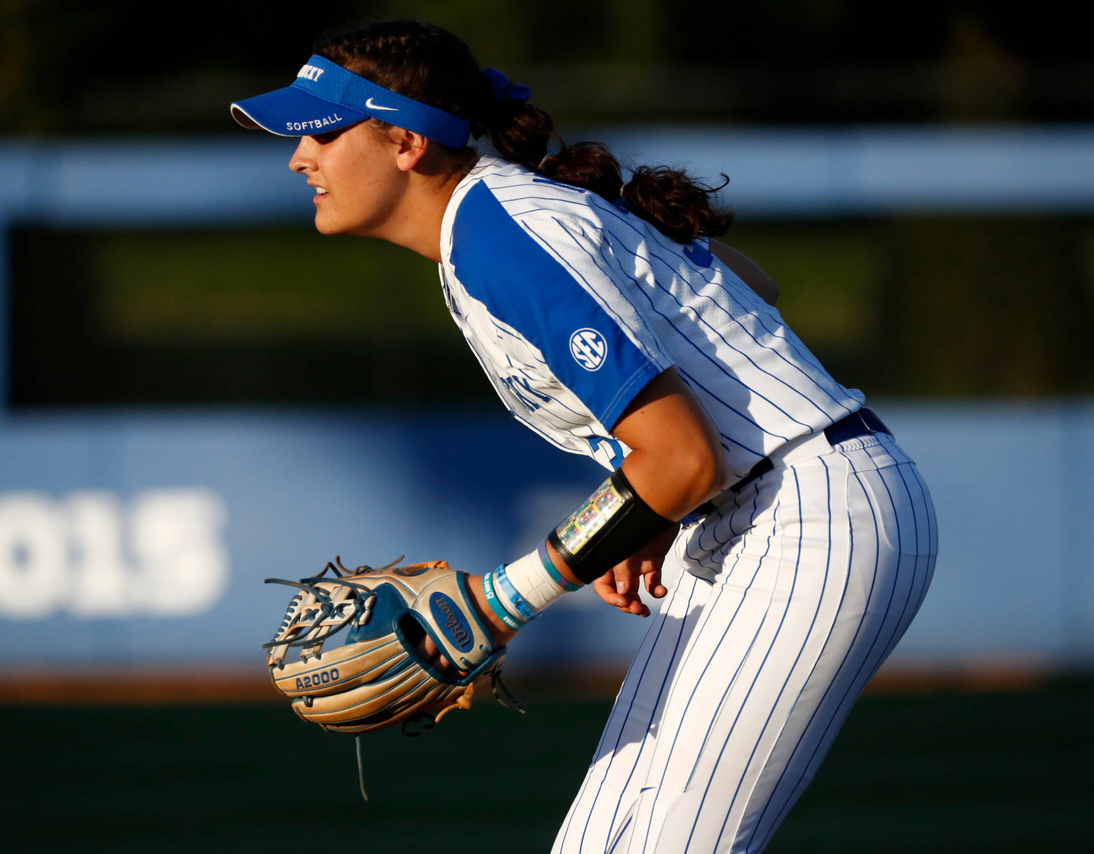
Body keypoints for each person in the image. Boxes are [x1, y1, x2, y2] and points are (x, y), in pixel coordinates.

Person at [231, 19, 938, 854]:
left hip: (808, 515)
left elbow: (682, 453)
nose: (298, 157)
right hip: (752, 511)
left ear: (404, 142)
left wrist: (505, 598)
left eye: (322, 131)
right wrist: (658, 511)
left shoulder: (501, 232)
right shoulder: (495, 223)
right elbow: (751, 287)